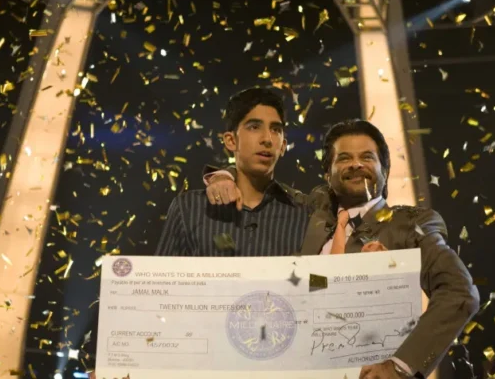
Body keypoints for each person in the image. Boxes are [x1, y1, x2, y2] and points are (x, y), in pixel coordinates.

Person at [204, 119, 480, 379]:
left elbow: (459, 291)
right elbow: (261, 185)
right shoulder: (309, 211)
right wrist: (224, 177)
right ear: (328, 174)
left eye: (367, 157)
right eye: (344, 158)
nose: (356, 164)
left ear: (385, 171)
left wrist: (400, 367)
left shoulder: (411, 224)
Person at [154, 87, 311, 257]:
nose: (267, 139)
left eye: (276, 130)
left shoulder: (304, 216)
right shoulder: (189, 208)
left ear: (283, 146)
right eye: (254, 127)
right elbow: (161, 274)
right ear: (230, 140)